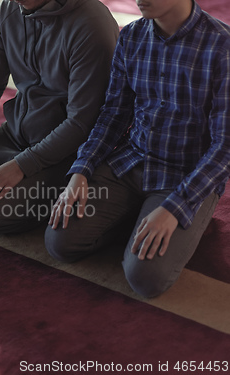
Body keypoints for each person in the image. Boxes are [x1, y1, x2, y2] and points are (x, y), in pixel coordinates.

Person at [46, 0, 230, 298]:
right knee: (60, 242)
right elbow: (114, 115)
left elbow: (225, 148)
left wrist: (175, 208)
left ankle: (183, 220)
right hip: (131, 162)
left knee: (146, 278)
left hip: (186, 177)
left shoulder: (222, 46)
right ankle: (139, 218)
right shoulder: (131, 36)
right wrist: (82, 169)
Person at [0, 0, 119, 234]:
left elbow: (81, 122)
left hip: (67, 153)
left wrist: (23, 164)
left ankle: (66, 197)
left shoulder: (92, 23)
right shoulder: (10, 10)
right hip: (16, 135)